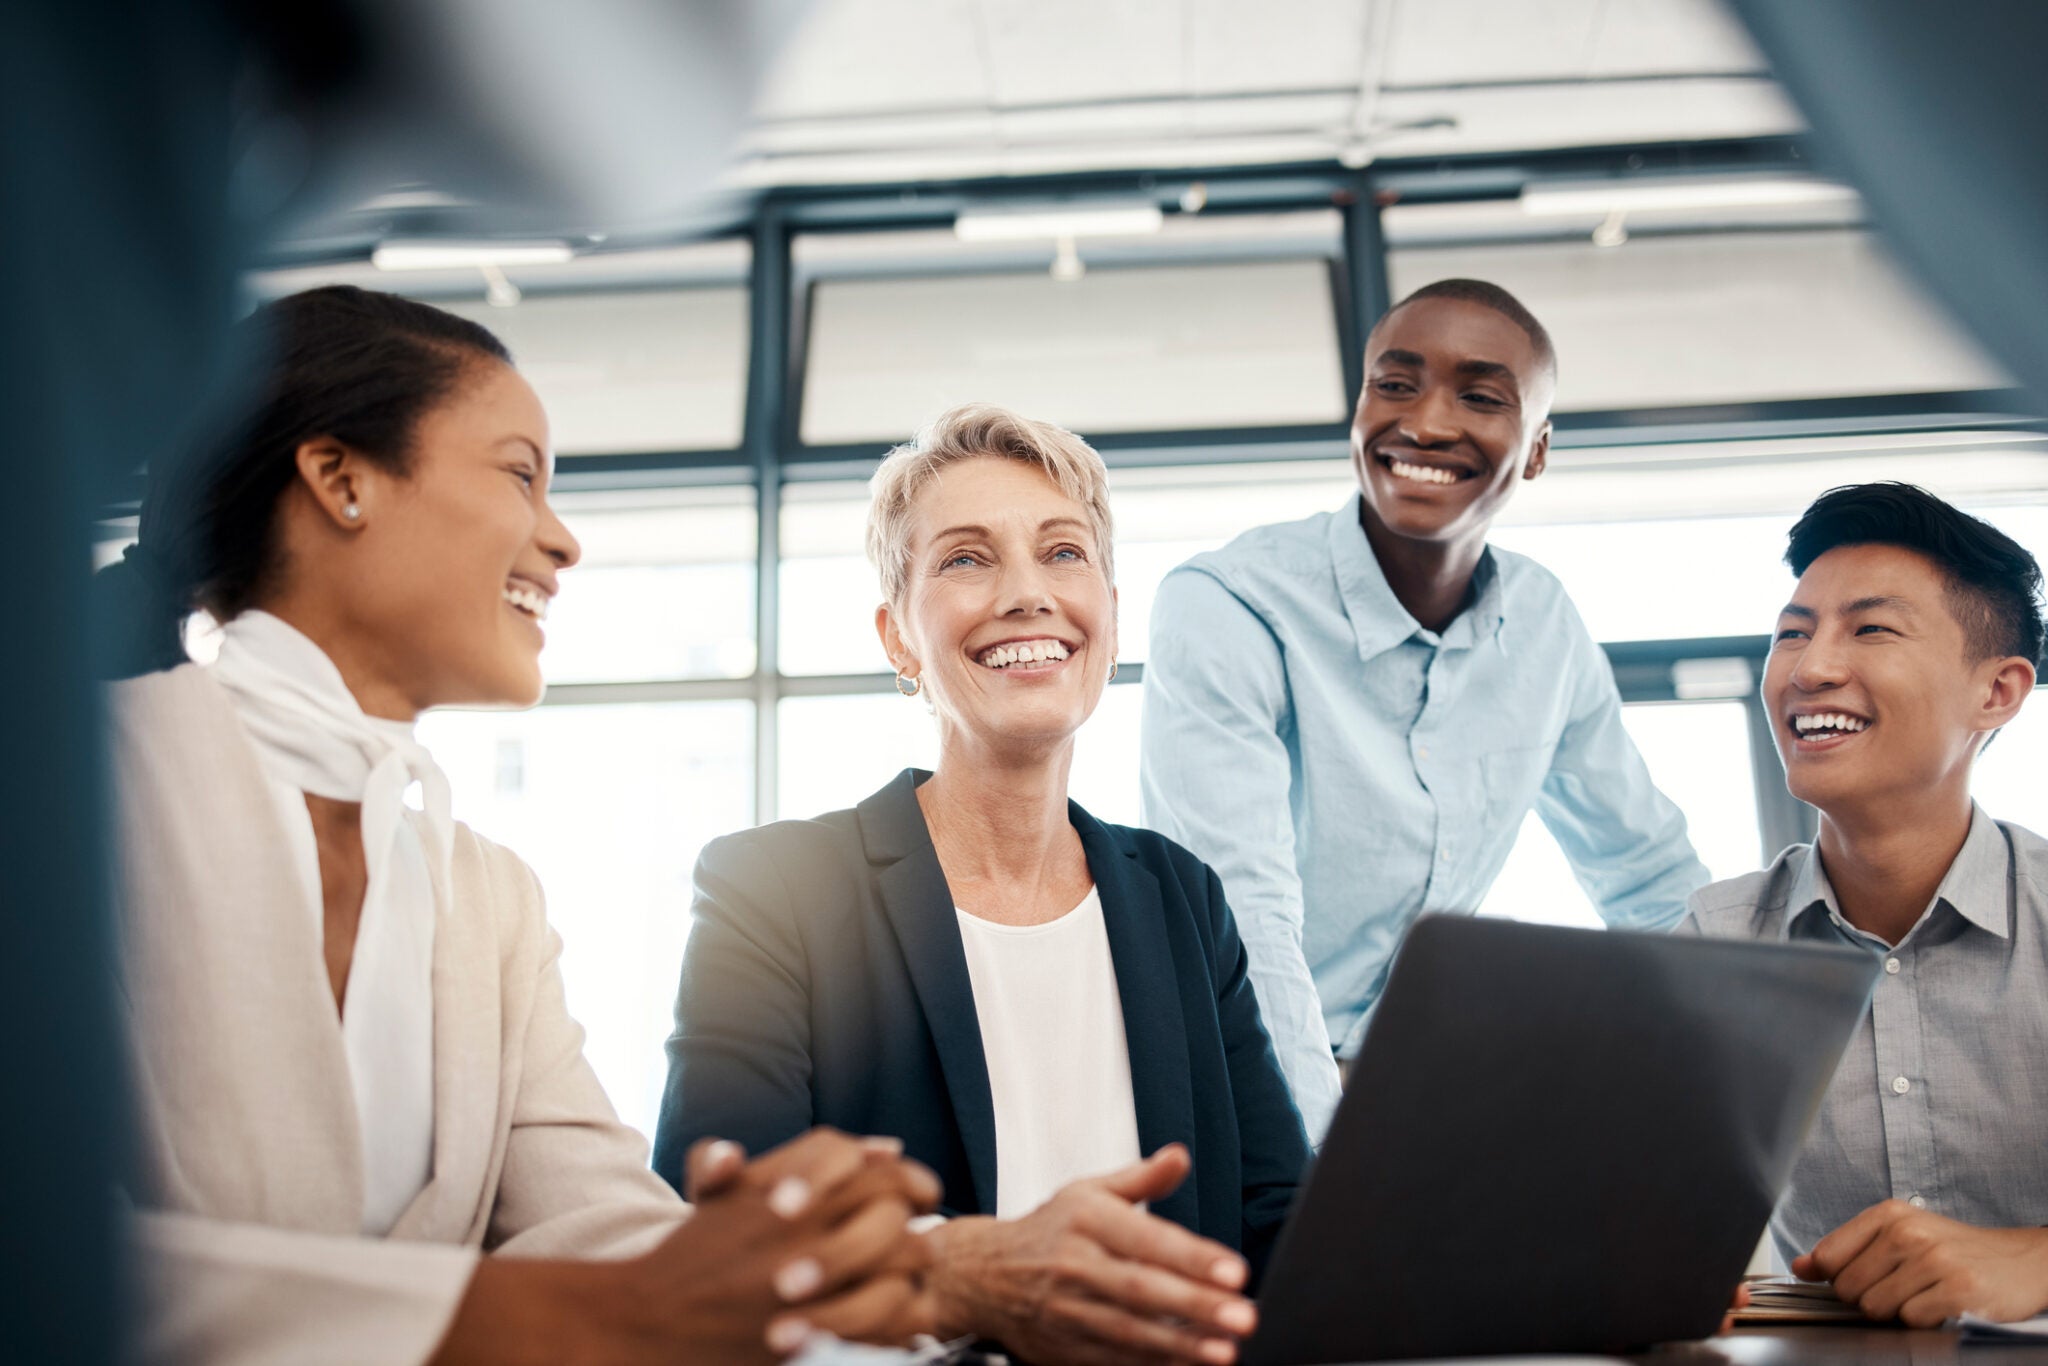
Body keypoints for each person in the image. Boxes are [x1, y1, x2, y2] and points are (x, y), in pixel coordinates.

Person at [97, 285, 940, 1365]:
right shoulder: (75, 790)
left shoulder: (487, 894)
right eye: (519, 475)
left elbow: (599, 1232)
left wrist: (808, 1259)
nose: (563, 539)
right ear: (342, 481)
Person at [656, 403, 1312, 1366]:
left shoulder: (1181, 897)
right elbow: (716, 1222)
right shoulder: (775, 891)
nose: (1027, 594)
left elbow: (1278, 1223)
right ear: (899, 639)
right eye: (966, 559)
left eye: (1063, 553)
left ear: (1110, 617)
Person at [1139, 278, 1709, 1138]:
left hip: (1410, 1090)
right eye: (1395, 385)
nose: (1428, 423)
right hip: (1233, 1086)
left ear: (1537, 450)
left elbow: (1651, 879)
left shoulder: (1544, 625)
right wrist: (1314, 1164)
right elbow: (1245, 919)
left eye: (1480, 397)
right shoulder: (1230, 602)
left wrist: (1762, 1074)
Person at [1683, 482, 2048, 1327]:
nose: (1810, 669)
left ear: (1997, 692)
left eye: (1871, 629)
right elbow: (1631, 1201)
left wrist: (2034, 1258)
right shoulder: (1716, 941)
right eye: (1792, 633)